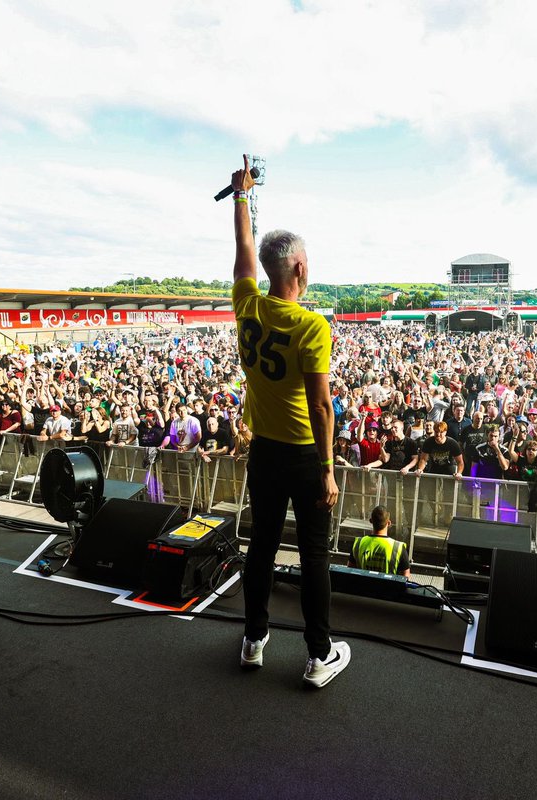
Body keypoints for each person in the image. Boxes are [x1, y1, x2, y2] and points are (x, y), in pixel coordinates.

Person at [229, 157, 347, 689]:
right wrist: (327, 469)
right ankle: (319, 655)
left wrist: (241, 199)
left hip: (264, 453)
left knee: (262, 548)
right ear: (299, 270)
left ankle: (254, 640)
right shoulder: (311, 325)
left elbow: (243, 257)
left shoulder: (247, 304)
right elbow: (322, 407)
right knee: (315, 555)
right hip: (302, 454)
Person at [347, 506, 410, 577]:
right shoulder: (398, 547)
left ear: (371, 521)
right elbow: (405, 576)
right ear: (389, 523)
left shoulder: (358, 543)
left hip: (362, 587)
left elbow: (350, 570)